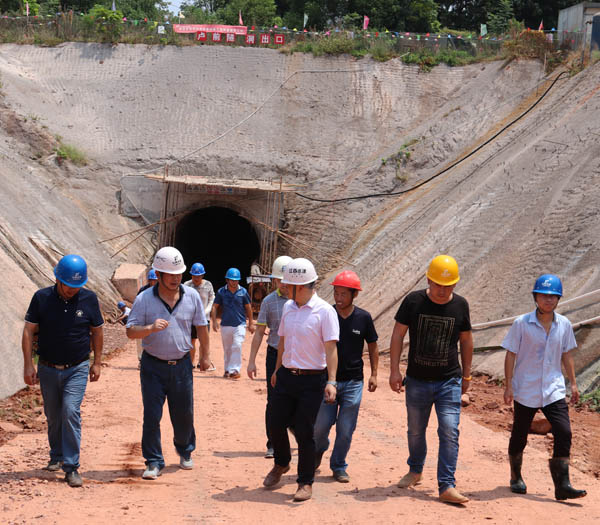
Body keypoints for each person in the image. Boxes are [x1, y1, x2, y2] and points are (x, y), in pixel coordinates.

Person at [389, 254, 473, 505]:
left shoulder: (461, 305)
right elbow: (397, 335)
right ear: (428, 280)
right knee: (416, 430)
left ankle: (447, 485)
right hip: (417, 380)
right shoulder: (413, 301)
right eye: (438, 284)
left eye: (448, 285)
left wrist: (467, 374)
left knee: (449, 429)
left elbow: (466, 340)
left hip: (449, 380)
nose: (442, 290)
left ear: (455, 284)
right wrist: (394, 370)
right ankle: (415, 470)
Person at [126, 246, 209, 480]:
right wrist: (150, 328)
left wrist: (205, 355)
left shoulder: (191, 296)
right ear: (159, 274)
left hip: (182, 366)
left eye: (178, 274)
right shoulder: (144, 299)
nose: (175, 279)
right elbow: (131, 331)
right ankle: (153, 461)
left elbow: (201, 327)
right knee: (152, 416)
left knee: (184, 414)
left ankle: (185, 450)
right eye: (170, 274)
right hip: (153, 367)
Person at [22, 254, 103, 488]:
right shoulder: (41, 298)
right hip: (47, 368)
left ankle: (71, 466)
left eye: (77, 286)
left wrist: (97, 362)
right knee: (53, 415)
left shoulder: (89, 299)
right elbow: (28, 331)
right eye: (68, 285)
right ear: (57, 279)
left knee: (70, 411)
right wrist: (28, 364)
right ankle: (56, 455)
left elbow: (97, 331)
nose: (72, 290)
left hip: (77, 367)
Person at [502, 274, 586, 501]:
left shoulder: (564, 324)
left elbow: (566, 354)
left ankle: (562, 484)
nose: (548, 300)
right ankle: (516, 476)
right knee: (520, 434)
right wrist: (508, 385)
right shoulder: (521, 323)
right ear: (535, 297)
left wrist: (573, 383)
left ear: (558, 299)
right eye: (543, 296)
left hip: (553, 389)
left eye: (553, 296)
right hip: (526, 388)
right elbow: (511, 354)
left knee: (564, 431)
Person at [263, 258, 339, 502]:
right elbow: (283, 341)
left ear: (302, 286)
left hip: (312, 379)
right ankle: (281, 463)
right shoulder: (289, 307)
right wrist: (277, 370)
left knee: (305, 431)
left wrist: (332, 381)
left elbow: (331, 349)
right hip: (287, 375)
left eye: (288, 285)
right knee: (275, 422)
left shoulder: (324, 311)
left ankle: (305, 482)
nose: (284, 288)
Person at [313, 270, 378, 484]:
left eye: (343, 294)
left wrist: (374, 374)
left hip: (353, 381)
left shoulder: (363, 318)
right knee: (321, 426)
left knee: (346, 429)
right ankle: (319, 449)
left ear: (354, 294)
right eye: (336, 293)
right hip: (327, 381)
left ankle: (339, 465)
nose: (338, 298)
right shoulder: (327, 314)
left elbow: (373, 346)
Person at [247, 255, 292, 458]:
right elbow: (259, 332)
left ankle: (298, 436)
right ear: (273, 280)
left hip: (297, 357)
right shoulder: (268, 302)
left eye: (286, 279)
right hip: (274, 355)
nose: (283, 284)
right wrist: (251, 361)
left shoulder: (302, 301)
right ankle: (272, 443)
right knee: (273, 401)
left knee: (297, 400)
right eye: (279, 280)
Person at [211, 268, 255, 379]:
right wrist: (214, 321)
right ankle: (227, 370)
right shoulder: (221, 292)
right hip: (225, 324)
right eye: (232, 280)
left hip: (240, 324)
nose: (234, 282)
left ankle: (235, 370)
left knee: (237, 345)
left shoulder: (243, 292)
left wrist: (251, 323)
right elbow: (215, 307)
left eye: (236, 280)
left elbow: (248, 307)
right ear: (227, 280)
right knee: (227, 349)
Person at [184, 262, 215, 371]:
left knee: (203, 342)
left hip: (204, 319)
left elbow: (211, 299)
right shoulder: (186, 285)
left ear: (202, 275)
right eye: (194, 276)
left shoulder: (208, 285)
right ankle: (190, 363)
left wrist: (206, 311)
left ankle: (202, 363)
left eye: (198, 276)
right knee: (191, 341)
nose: (196, 278)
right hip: (191, 319)